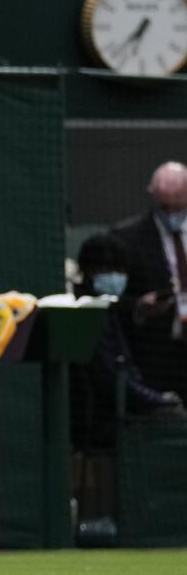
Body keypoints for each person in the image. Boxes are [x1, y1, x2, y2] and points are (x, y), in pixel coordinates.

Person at [68, 234, 185, 544]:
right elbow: (112, 375)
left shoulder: (112, 310)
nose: (114, 276)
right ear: (88, 272)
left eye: (118, 269)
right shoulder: (85, 313)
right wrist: (159, 401)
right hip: (96, 429)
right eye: (106, 269)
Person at [111, 161, 187, 400]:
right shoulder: (126, 238)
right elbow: (112, 301)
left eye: (179, 206)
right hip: (156, 356)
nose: (172, 215)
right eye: (165, 207)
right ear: (153, 196)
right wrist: (140, 307)